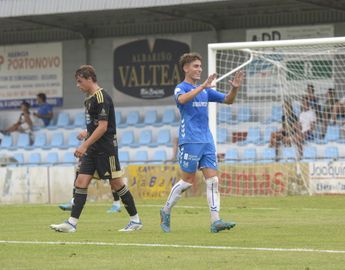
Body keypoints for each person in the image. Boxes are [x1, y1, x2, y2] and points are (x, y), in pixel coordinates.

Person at [50, 65, 142, 232]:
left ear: (90, 79)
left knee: (117, 185)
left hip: (106, 150)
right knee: (81, 182)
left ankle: (135, 221)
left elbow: (103, 127)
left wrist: (84, 144)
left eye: (80, 81)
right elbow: (96, 126)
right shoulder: (89, 99)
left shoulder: (102, 97)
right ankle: (71, 223)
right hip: (93, 149)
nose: (78, 85)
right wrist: (86, 133)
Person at [160, 52, 244, 233]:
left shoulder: (205, 90)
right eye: (196, 66)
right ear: (186, 68)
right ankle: (165, 210)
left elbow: (228, 100)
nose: (200, 69)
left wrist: (235, 88)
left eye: (200, 66)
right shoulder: (180, 88)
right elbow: (182, 100)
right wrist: (203, 86)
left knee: (213, 180)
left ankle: (216, 221)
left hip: (206, 140)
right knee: (188, 181)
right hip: (189, 140)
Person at [58, 129, 122, 213]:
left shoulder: (104, 118)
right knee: (80, 173)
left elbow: (103, 126)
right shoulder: (91, 117)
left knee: (113, 179)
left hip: (105, 150)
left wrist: (87, 132)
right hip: (91, 150)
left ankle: (117, 204)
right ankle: (74, 201)